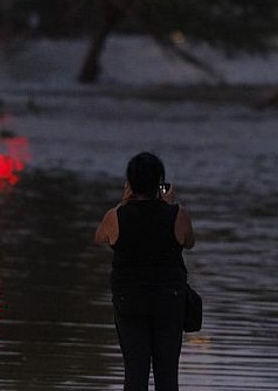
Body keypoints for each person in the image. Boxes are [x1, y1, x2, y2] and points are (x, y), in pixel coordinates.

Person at [93, 152, 196, 391]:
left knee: (135, 373)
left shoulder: (115, 216)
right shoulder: (177, 215)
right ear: (159, 183)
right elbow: (189, 241)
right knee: (167, 374)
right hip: (168, 303)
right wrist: (168, 206)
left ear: (129, 182)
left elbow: (100, 237)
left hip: (129, 302)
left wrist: (122, 203)